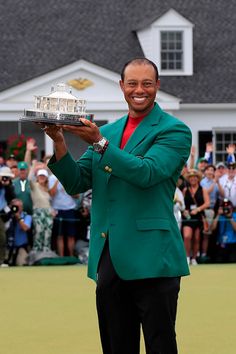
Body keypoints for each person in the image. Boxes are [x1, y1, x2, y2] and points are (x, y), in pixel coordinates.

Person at [39, 58, 192, 354]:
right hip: (109, 257)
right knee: (116, 345)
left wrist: (99, 144)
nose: (139, 90)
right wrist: (59, 141)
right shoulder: (108, 131)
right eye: (132, 83)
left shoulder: (175, 131)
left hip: (154, 257)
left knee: (160, 344)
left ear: (158, 86)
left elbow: (146, 173)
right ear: (121, 86)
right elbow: (76, 181)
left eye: (147, 83)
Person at [182, 169, 210, 265]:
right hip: (188, 216)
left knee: (197, 238)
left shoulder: (203, 190)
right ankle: (187, 257)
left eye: (194, 177)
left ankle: (194, 258)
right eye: (191, 177)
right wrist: (184, 210)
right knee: (187, 236)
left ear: (198, 179)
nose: (193, 179)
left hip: (198, 216)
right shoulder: (185, 190)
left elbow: (207, 203)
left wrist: (198, 209)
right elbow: (182, 203)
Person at [2, 198, 32, 266]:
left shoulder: (27, 216)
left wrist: (18, 218)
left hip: (21, 247)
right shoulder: (7, 217)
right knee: (5, 264)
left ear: (22, 207)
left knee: (21, 263)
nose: (16, 208)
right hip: (7, 248)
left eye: (18, 206)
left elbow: (25, 228)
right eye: (14, 206)